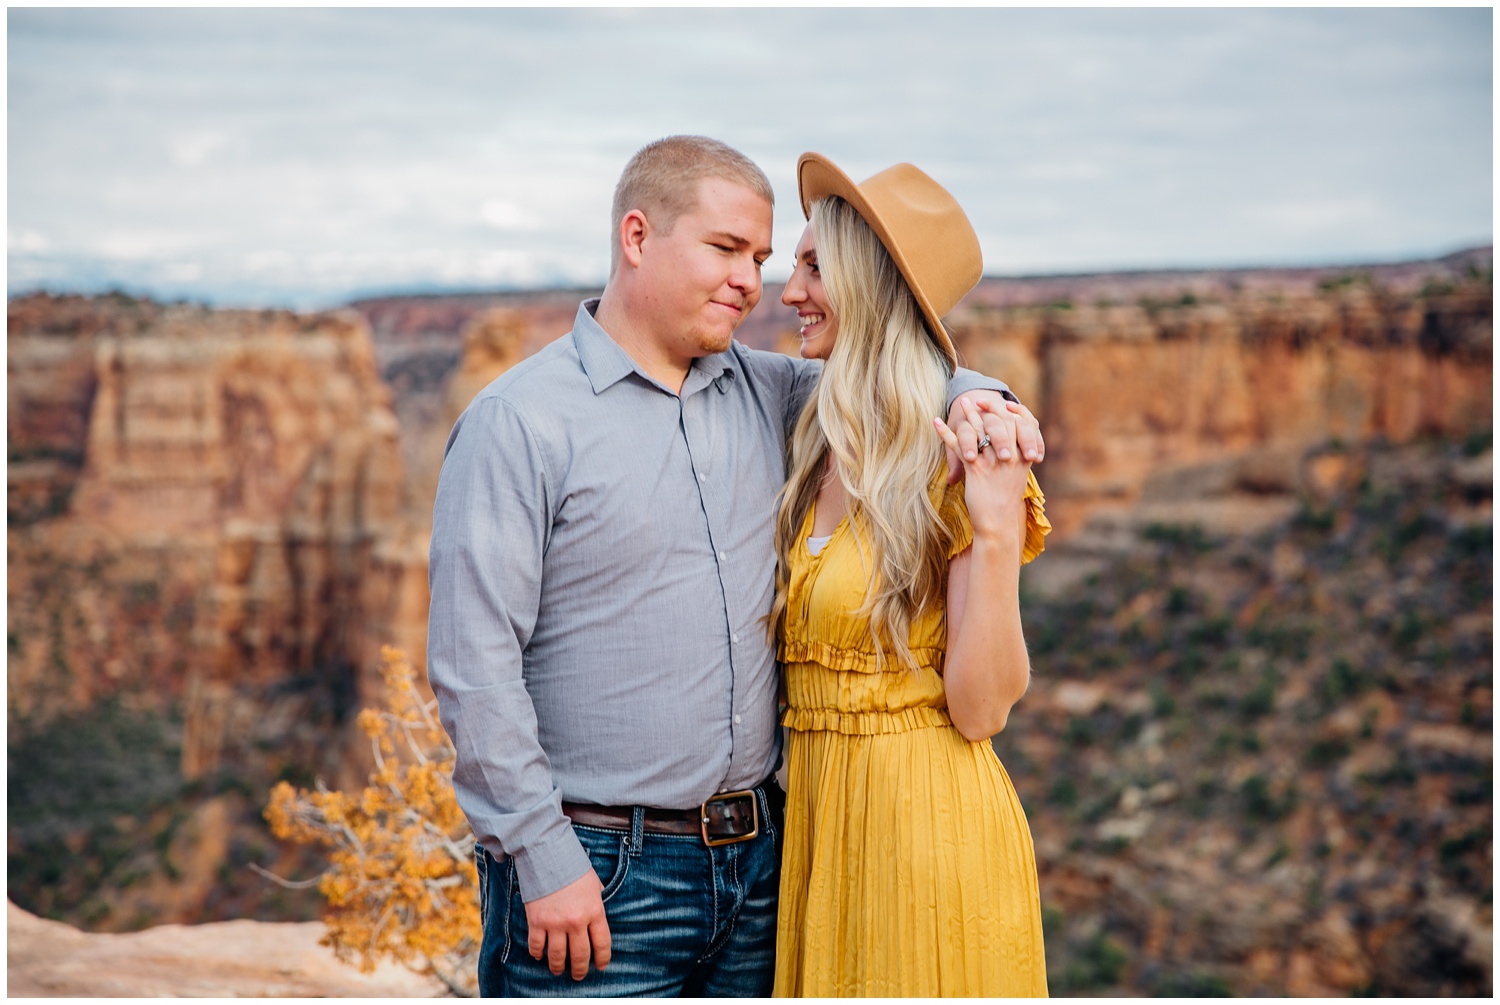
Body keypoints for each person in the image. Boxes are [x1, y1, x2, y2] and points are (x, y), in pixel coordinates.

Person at [426, 135, 1043, 997]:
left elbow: (896, 366)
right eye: (726, 250)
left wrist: (983, 395)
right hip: (598, 873)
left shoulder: (772, 393)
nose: (755, 283)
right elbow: (472, 666)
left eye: (761, 256)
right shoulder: (519, 423)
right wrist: (541, 856)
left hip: (763, 870)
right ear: (637, 237)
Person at [769, 153, 1051, 996]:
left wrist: (996, 531)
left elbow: (982, 705)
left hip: (925, 837)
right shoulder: (806, 428)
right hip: (818, 834)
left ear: (870, 285)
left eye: (814, 267)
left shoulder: (961, 462)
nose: (788, 292)